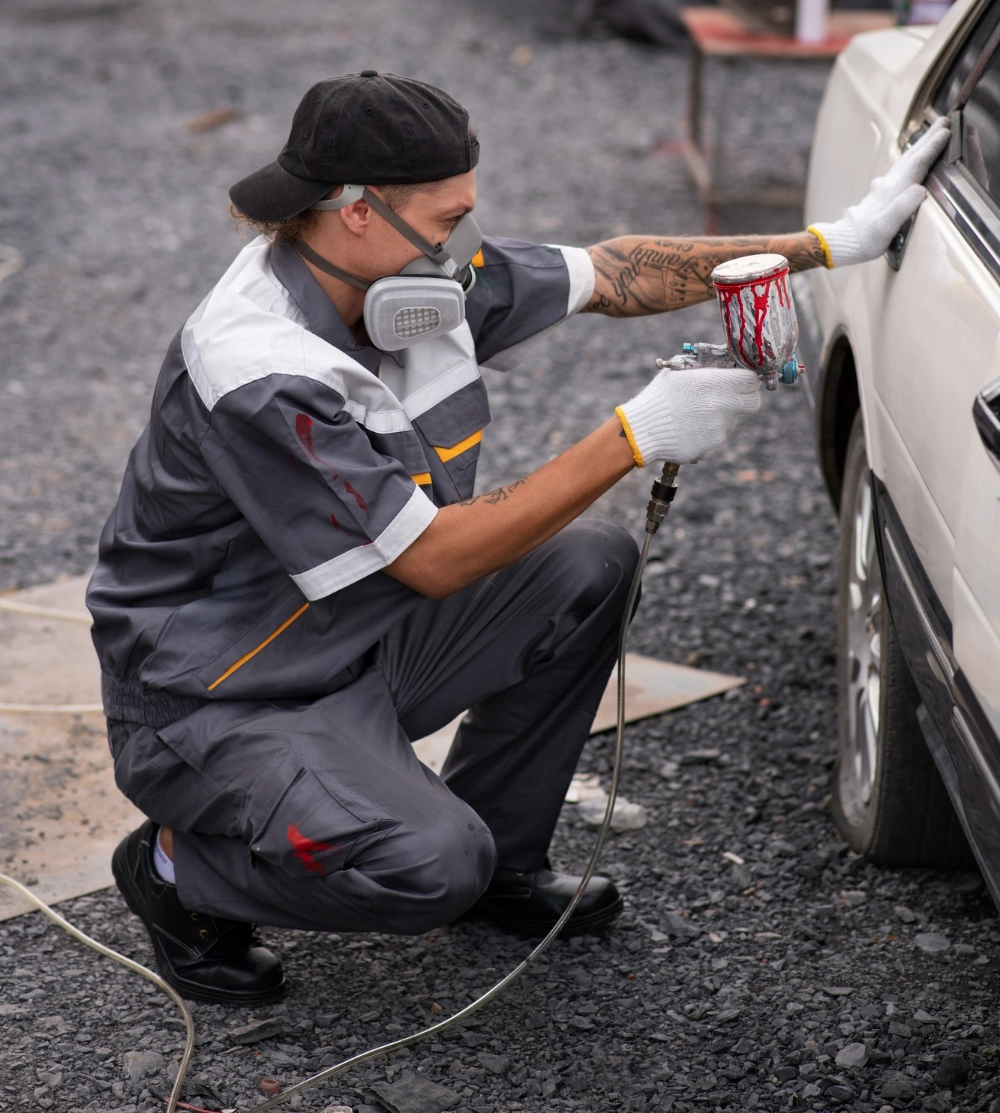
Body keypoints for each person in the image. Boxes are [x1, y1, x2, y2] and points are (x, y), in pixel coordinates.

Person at [89, 72, 948, 1006]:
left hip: (343, 634)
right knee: (430, 866)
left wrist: (826, 245)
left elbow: (612, 273)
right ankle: (177, 871)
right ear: (356, 210)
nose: (464, 243)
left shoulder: (404, 278)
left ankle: (502, 855)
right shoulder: (258, 368)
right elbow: (435, 559)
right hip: (220, 695)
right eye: (448, 219)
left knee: (589, 564)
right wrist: (633, 436)